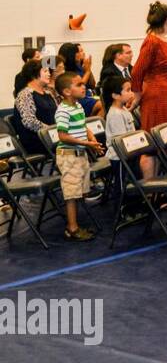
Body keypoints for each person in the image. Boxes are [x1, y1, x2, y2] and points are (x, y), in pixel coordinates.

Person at [53, 71, 104, 241]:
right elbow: (62, 136)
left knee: (80, 191)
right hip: (68, 156)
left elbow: (83, 126)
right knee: (72, 193)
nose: (84, 87)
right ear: (67, 91)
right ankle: (72, 228)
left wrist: (91, 138)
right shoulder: (63, 111)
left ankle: (75, 223)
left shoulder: (78, 106)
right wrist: (87, 144)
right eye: (79, 85)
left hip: (80, 154)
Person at [135, 1, 167, 134]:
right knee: (159, 140)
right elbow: (137, 71)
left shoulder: (162, 41)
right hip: (158, 97)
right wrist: (137, 97)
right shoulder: (152, 42)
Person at [13, 60, 57, 158]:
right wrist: (52, 131)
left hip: (52, 135)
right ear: (33, 74)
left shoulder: (48, 93)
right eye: (45, 71)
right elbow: (29, 121)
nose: (49, 74)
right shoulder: (25, 95)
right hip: (36, 140)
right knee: (73, 141)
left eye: (49, 71)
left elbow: (58, 114)